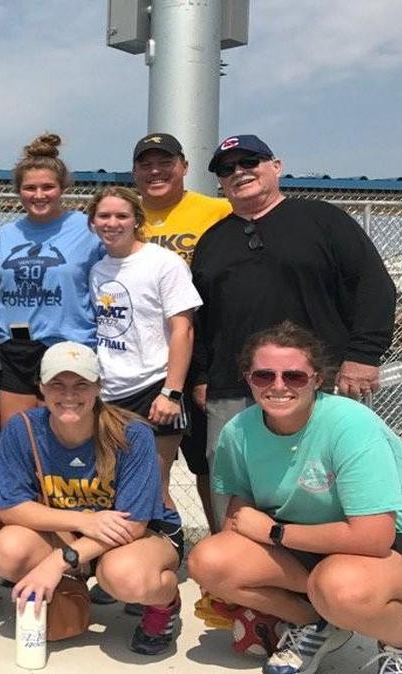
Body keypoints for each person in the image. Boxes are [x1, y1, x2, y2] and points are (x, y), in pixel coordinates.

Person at [188, 321, 402, 674]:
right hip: (308, 538)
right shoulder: (239, 430)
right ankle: (317, 623)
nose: (278, 386)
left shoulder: (351, 425)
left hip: (394, 544)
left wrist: (274, 533)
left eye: (293, 376)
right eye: (264, 376)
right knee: (209, 562)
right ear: (248, 379)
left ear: (317, 379)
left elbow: (374, 536)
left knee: (340, 587)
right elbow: (240, 512)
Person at [191, 134, 396, 526]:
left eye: (249, 161)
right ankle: (234, 582)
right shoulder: (212, 241)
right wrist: (201, 376)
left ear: (276, 166)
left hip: (318, 383)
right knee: (234, 492)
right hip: (234, 390)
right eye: (227, 168)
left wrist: (364, 356)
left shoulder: (323, 219)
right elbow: (201, 318)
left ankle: (329, 575)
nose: (239, 172)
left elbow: (373, 285)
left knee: (326, 486)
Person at [0, 342, 185, 656]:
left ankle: (165, 604)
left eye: (81, 384)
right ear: (41, 387)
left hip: (137, 536)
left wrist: (57, 562)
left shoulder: (132, 433)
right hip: (73, 532)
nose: (69, 394)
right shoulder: (21, 428)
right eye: (57, 384)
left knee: (124, 578)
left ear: (99, 386)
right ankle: (72, 588)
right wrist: (83, 520)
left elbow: (132, 525)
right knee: (6, 550)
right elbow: (11, 507)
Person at [131, 132, 231, 533]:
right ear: (135, 171)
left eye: (165, 162)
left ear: (184, 166)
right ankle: (159, 543)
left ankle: (222, 544)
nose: (156, 171)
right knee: (146, 463)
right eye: (146, 163)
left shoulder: (217, 210)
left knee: (211, 461)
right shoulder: (125, 215)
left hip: (201, 350)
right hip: (144, 356)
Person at [86, 186, 200, 511]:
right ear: (93, 221)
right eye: (104, 216)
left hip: (153, 389)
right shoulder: (98, 269)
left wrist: (172, 392)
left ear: (137, 219)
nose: (112, 223)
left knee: (153, 488)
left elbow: (183, 329)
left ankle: (170, 552)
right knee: (113, 487)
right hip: (109, 392)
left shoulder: (164, 263)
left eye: (121, 215)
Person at [0, 133, 103, 425]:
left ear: (63, 188)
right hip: (14, 348)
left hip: (68, 345)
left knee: (65, 437)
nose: (39, 195)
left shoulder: (89, 230)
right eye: (30, 188)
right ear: (18, 191)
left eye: (47, 187)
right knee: (18, 437)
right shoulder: (3, 235)